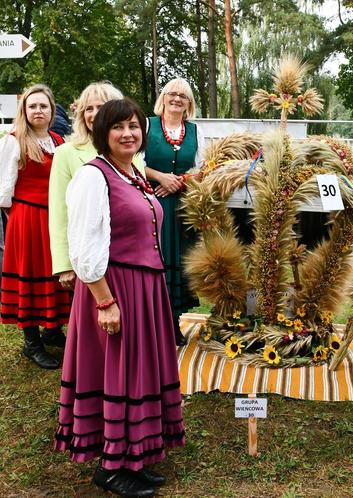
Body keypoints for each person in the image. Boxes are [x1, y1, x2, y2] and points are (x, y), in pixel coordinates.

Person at [54, 99, 185, 498]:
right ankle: (111, 468)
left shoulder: (132, 174)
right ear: (101, 133)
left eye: (133, 126)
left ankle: (134, 457)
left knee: (138, 371)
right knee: (118, 372)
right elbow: (83, 245)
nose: (128, 133)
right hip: (115, 288)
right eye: (118, 127)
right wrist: (105, 301)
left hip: (144, 289)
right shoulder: (94, 177)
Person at [0, 84, 71, 369]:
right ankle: (32, 343)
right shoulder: (14, 139)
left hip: (55, 218)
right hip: (27, 219)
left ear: (52, 110)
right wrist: (19, 219)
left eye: (43, 106)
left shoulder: (58, 141)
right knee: (29, 273)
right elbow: (4, 190)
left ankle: (52, 330)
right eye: (32, 106)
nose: (38, 110)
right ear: (24, 111)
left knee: (55, 273)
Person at [50, 81, 131, 291]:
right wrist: (64, 265)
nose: (94, 114)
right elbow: (59, 212)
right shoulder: (66, 153)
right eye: (88, 108)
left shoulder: (132, 152)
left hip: (127, 257)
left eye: (101, 107)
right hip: (88, 257)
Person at [144, 78, 205, 346]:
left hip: (181, 207)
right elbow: (133, 160)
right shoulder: (147, 125)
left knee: (178, 261)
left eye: (183, 95)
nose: (177, 99)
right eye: (172, 94)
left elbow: (203, 167)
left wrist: (178, 181)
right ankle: (150, 322)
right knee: (154, 259)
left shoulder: (194, 131)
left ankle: (173, 322)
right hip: (150, 204)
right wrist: (161, 177)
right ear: (164, 98)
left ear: (189, 102)